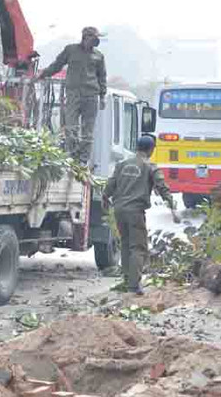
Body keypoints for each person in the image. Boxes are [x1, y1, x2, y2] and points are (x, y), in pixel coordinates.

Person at [102, 135, 173, 295]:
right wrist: (170, 202)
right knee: (139, 248)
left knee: (126, 244)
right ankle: (134, 286)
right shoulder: (150, 167)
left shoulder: (122, 164)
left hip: (119, 210)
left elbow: (110, 186)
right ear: (151, 149)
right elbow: (161, 186)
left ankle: (127, 279)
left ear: (137, 147)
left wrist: (105, 199)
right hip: (135, 212)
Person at [35, 26, 108, 164]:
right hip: (73, 95)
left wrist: (103, 96)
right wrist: (43, 74)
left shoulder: (99, 56)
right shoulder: (71, 50)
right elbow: (57, 65)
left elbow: (102, 76)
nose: (96, 40)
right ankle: (72, 156)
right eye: (94, 37)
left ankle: (83, 160)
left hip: (91, 96)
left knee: (88, 131)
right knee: (71, 128)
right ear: (86, 37)